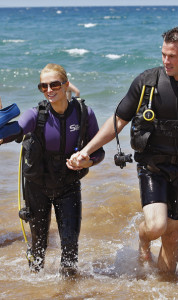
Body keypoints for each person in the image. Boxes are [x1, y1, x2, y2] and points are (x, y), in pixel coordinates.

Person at [66, 27, 178, 274]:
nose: (166, 60)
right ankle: (143, 240)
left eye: (172, 56)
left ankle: (165, 288)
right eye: (163, 54)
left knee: (172, 236)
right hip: (152, 164)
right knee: (156, 227)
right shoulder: (148, 82)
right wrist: (86, 150)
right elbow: (118, 121)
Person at [0, 64, 105, 276]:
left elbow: (99, 151)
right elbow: (14, 130)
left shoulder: (85, 113)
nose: (49, 90)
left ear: (66, 85)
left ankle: (68, 292)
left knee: (70, 246)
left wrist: (88, 163)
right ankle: (36, 289)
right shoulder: (35, 115)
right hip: (37, 186)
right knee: (38, 245)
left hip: (69, 186)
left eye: (54, 84)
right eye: (43, 86)